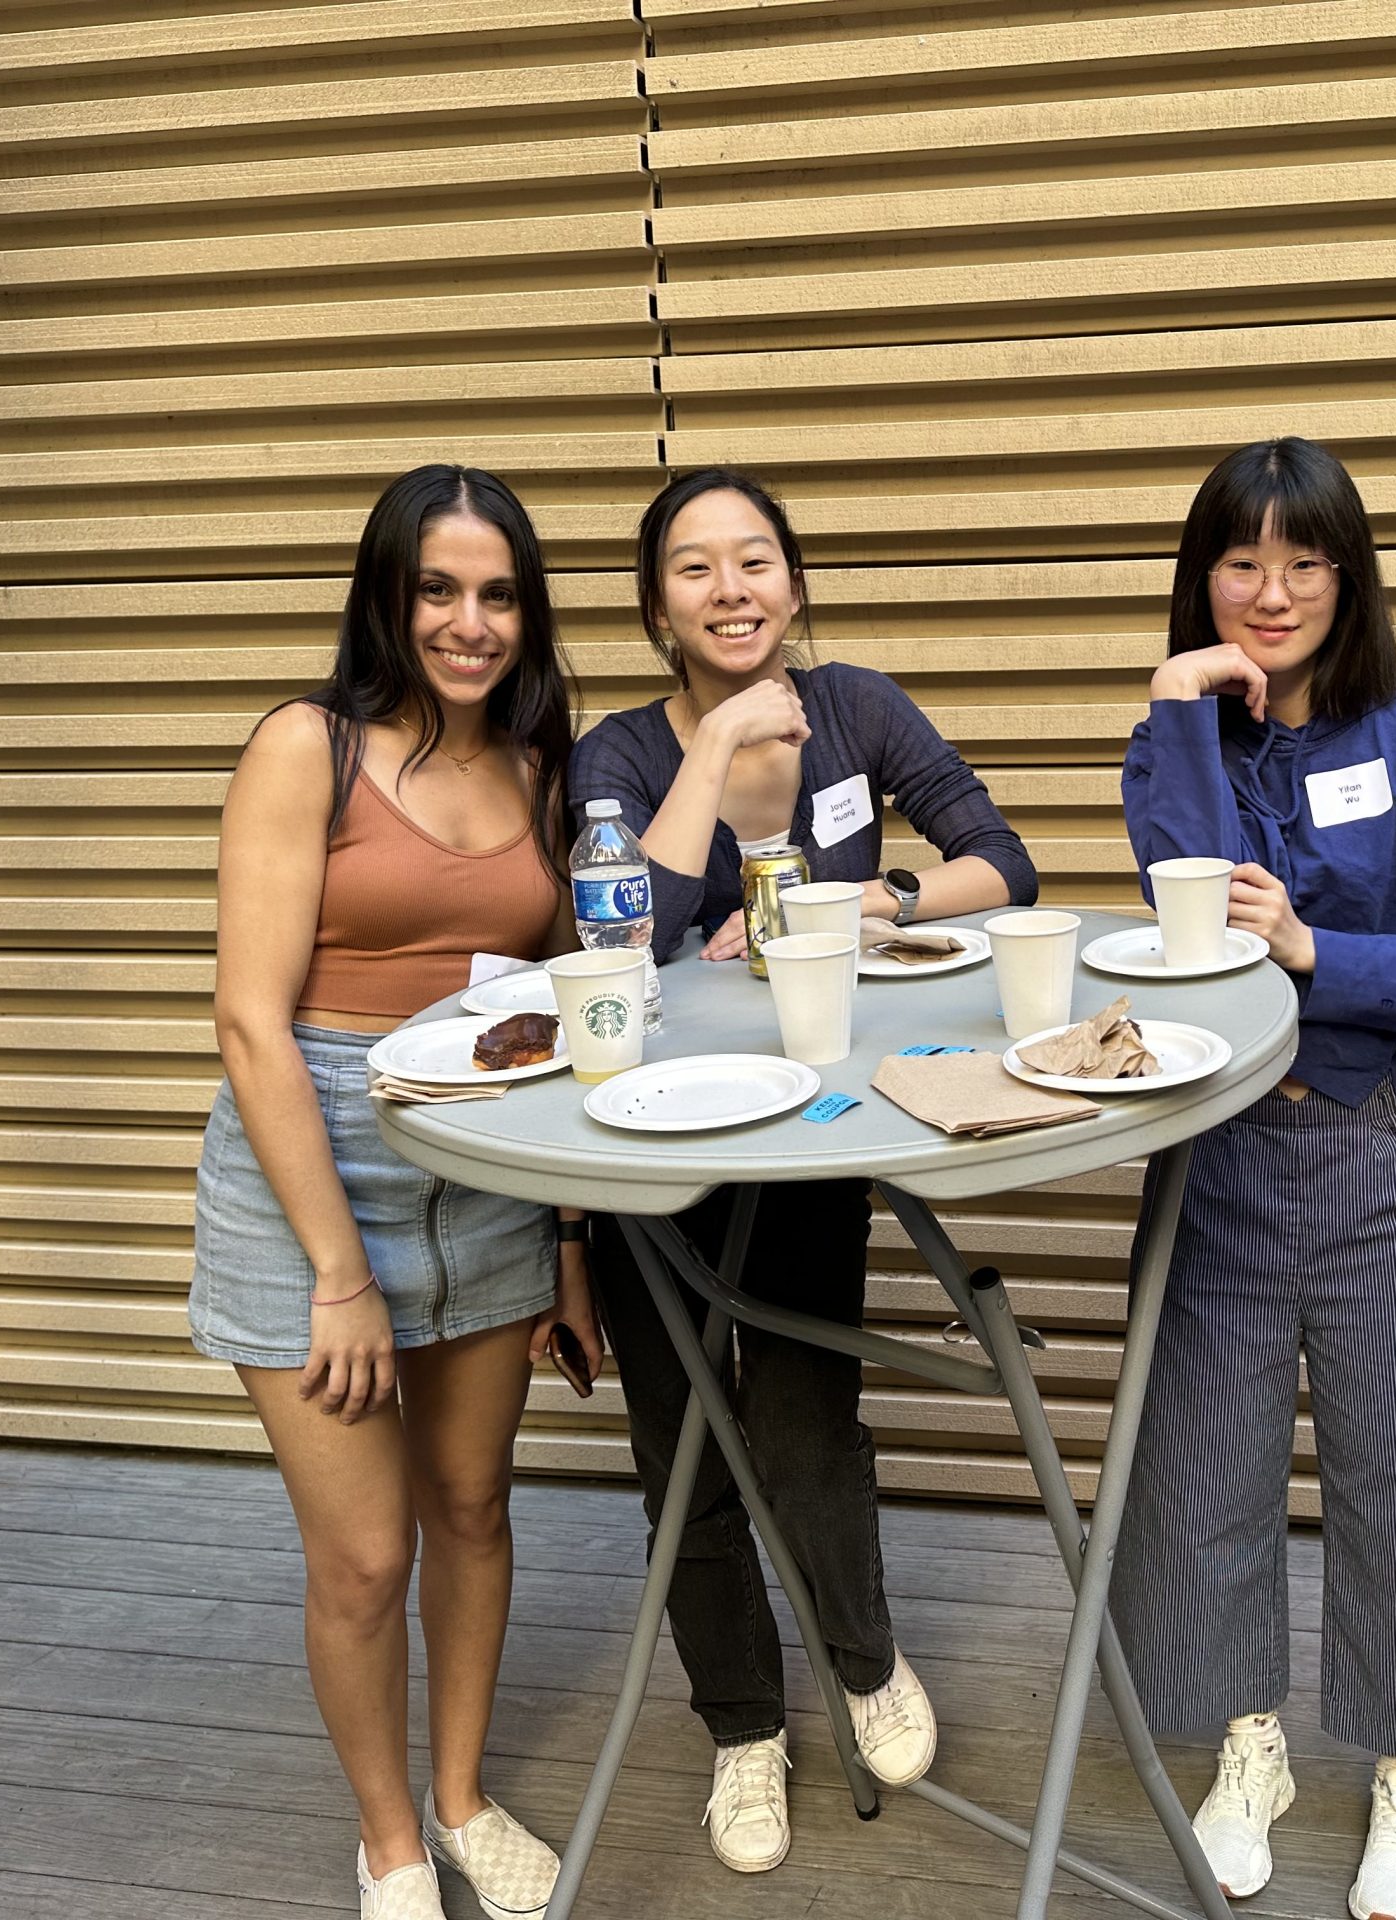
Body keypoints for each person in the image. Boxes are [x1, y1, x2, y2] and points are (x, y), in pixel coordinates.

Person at [566, 466, 1039, 1874]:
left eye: (755, 558)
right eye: (695, 567)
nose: (732, 589)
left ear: (794, 578)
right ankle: (742, 1728)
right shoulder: (621, 751)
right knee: (682, 1443)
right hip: (648, 1141)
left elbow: (1000, 862)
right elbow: (625, 926)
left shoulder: (859, 709)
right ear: (657, 607)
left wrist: (871, 897)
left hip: (809, 1129)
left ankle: (864, 1657)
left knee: (805, 1413)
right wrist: (715, 745)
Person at [1113, 437, 1396, 1920]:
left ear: (1351, 579)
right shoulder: (1175, 747)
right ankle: (1252, 1748)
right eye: (1241, 562)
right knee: (1201, 1470)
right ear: (1202, 577)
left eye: (1306, 561)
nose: (1273, 591)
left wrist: (1314, 951)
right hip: (1217, 1157)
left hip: (1383, 1156)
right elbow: (1187, 915)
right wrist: (1179, 704)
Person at [193, 465, 603, 1920]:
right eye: (438, 589)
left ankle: (461, 1796)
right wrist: (339, 1271)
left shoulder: (543, 767)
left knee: (473, 1504)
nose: (469, 622)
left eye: (498, 594)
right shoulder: (304, 746)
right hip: (310, 1171)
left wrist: (569, 1245)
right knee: (366, 1557)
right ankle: (389, 1844)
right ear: (387, 595)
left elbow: (564, 1007)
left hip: (485, 1166)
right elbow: (250, 1023)